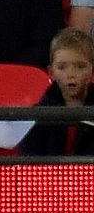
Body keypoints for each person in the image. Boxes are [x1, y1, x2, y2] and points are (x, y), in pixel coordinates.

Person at [20, 27, 94, 156]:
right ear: (51, 72)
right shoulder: (38, 116)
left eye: (80, 67)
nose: (71, 74)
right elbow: (31, 160)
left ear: (92, 71)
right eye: (62, 67)